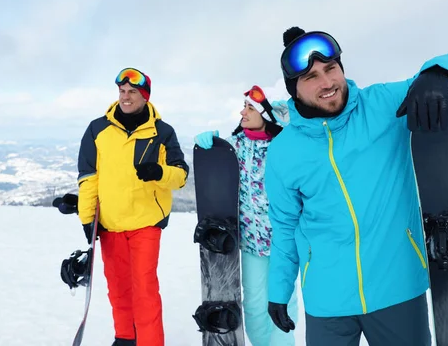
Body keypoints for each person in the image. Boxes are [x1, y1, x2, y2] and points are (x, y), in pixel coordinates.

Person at [265, 27, 448, 346]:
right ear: (294, 89)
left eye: (331, 69)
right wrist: (278, 291)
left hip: (397, 287)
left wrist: (438, 74)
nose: (327, 83)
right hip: (326, 299)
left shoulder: (383, 105)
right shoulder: (283, 151)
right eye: (311, 77)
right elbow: (285, 227)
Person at [76, 67, 189, 346]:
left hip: (145, 223)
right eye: (122, 91)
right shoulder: (97, 129)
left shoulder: (162, 132)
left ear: (145, 97)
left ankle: (150, 342)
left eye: (132, 92)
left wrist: (159, 172)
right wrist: (87, 218)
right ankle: (125, 338)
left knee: (145, 289)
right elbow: (88, 177)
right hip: (110, 223)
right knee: (118, 289)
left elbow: (181, 175)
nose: (125, 97)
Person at [194, 85, 299, 346]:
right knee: (253, 302)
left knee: (284, 299)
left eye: (250, 107)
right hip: (251, 242)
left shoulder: (287, 146)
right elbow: (216, 170)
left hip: (284, 240)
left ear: (267, 114)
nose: (242, 111)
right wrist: (209, 145)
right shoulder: (236, 147)